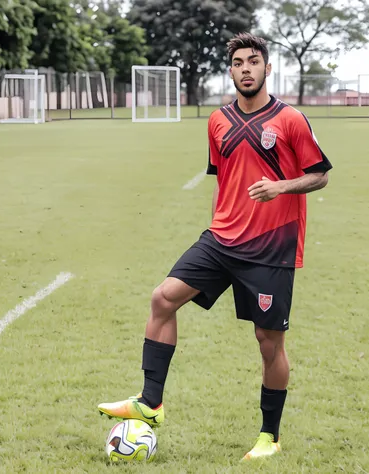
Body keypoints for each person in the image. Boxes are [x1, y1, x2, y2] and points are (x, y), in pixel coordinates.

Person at [98, 32, 332, 460]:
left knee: (268, 341)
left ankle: (269, 437)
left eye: (254, 61)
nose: (247, 68)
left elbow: (320, 175)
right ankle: (151, 403)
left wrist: (280, 187)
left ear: (267, 68)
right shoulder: (218, 120)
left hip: (269, 247)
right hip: (221, 240)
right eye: (239, 62)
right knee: (163, 298)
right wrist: (215, 226)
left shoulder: (291, 120)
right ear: (231, 70)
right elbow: (222, 178)